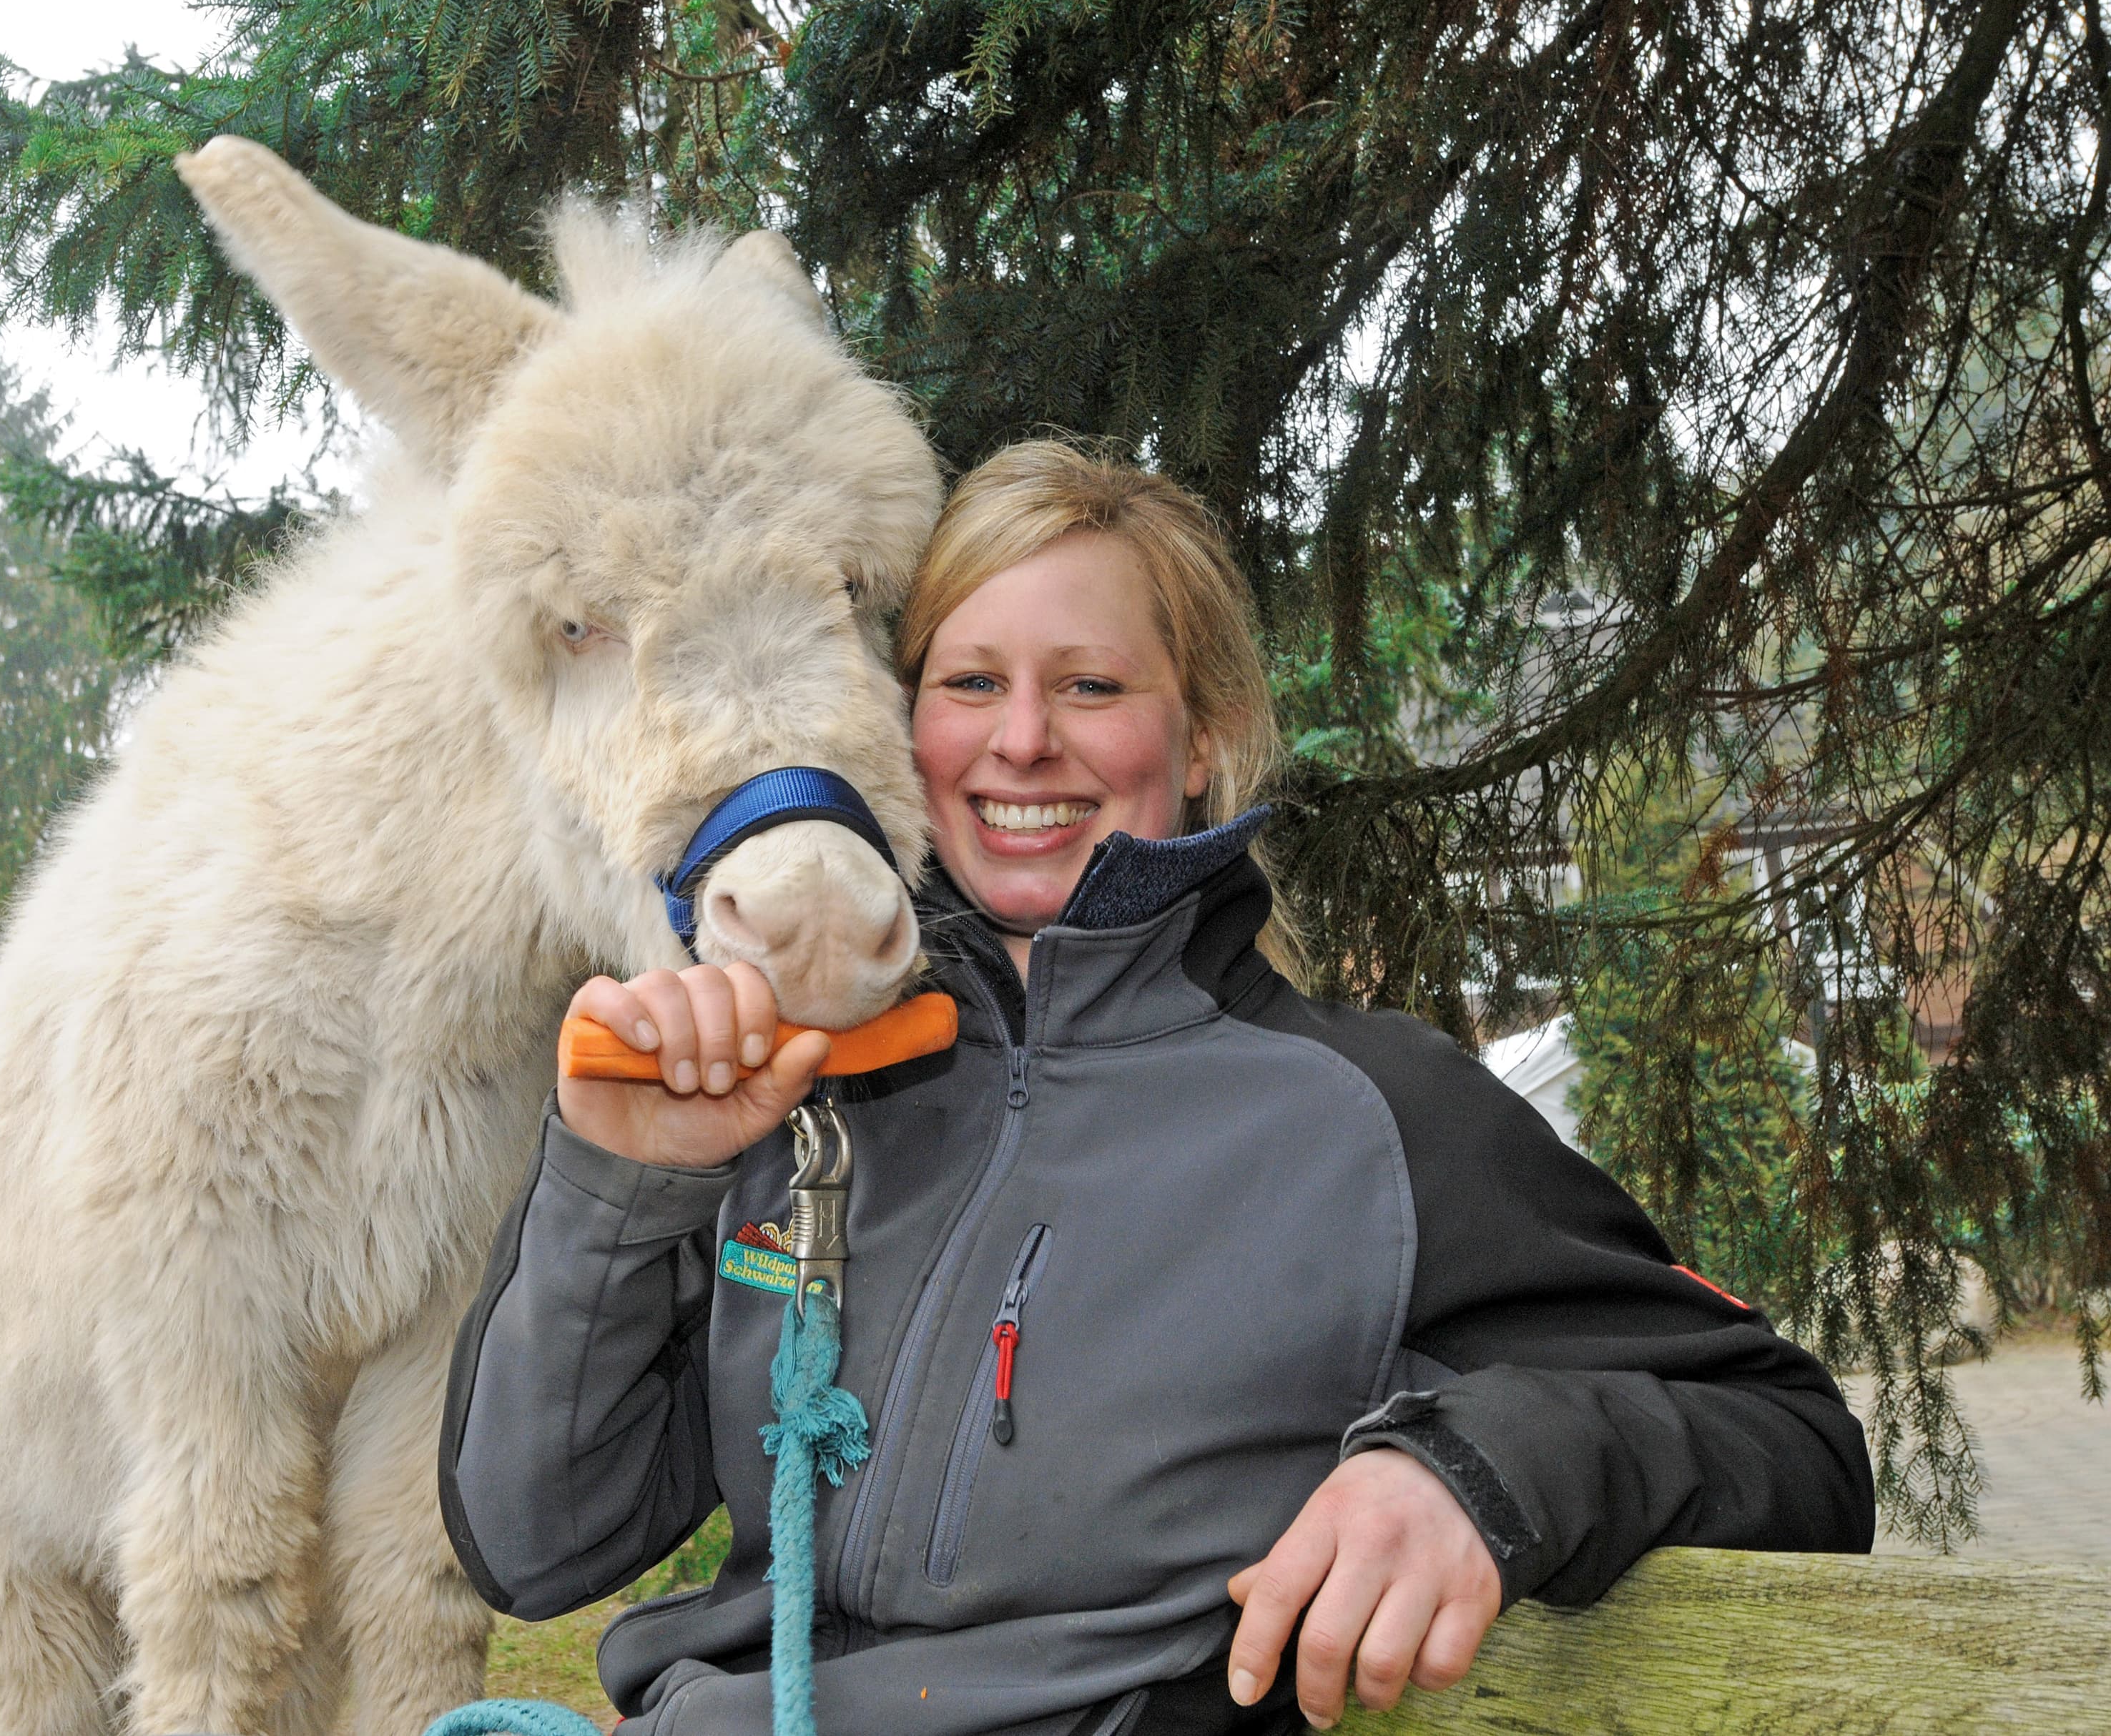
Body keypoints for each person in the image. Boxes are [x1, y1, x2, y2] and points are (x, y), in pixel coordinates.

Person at [437, 440, 1874, 1736]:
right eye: (972, 683)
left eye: (1092, 686)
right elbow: (539, 1543)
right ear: (902, 722)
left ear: (1200, 738)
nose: (1020, 743)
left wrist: (1477, 1473)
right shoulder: (791, 1090)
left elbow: (1795, 1446)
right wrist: (622, 1186)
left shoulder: (1366, 1115)